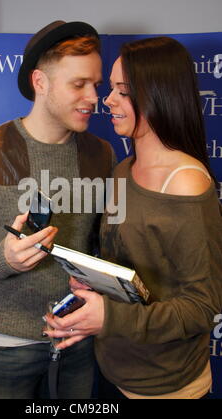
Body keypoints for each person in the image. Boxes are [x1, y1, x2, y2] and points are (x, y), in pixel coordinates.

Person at [0, 20, 116, 399]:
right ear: (40, 82)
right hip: (6, 347)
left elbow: (102, 244)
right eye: (78, 84)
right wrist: (4, 258)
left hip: (78, 340)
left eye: (95, 84)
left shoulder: (102, 154)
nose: (93, 97)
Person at [44, 36, 222, 399]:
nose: (107, 101)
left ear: (158, 95)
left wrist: (109, 318)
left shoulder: (186, 183)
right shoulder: (124, 170)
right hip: (113, 369)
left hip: (165, 386)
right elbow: (128, 268)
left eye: (122, 91)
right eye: (111, 89)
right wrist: (93, 293)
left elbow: (201, 308)